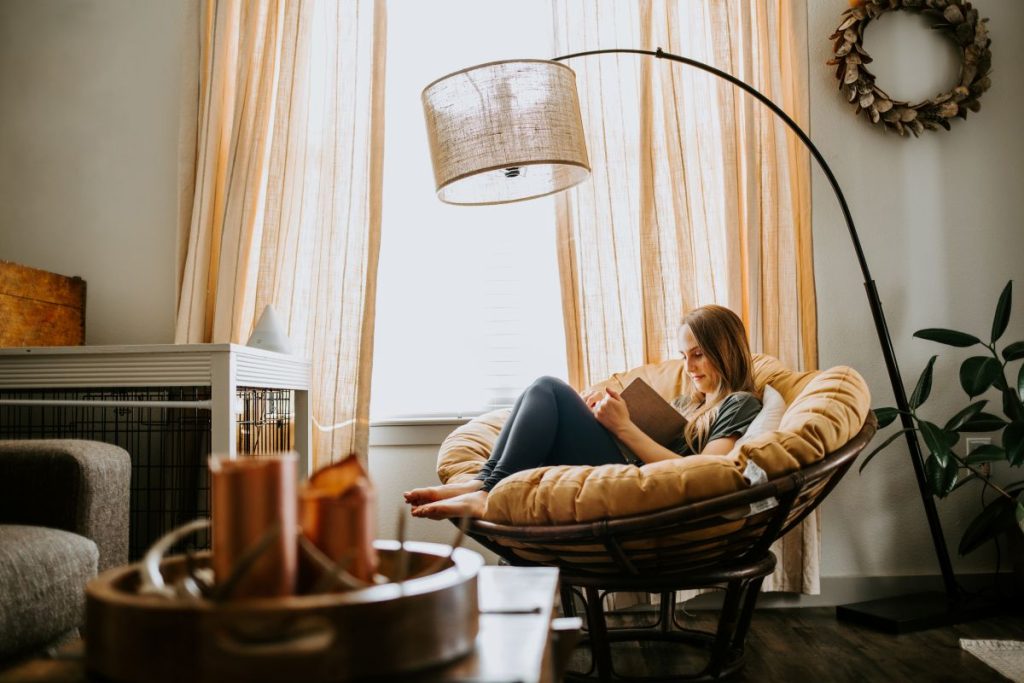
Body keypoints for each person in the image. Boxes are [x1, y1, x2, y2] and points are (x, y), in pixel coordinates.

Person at [404, 304, 762, 519]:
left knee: (550, 388)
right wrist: (603, 416)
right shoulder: (691, 402)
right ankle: (483, 480)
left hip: (639, 483)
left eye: (698, 354)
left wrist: (623, 428)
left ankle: (489, 491)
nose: (689, 367)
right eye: (685, 356)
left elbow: (706, 473)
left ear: (726, 349)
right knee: (539, 393)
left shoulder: (739, 403)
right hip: (623, 461)